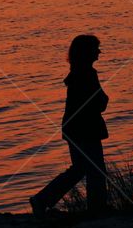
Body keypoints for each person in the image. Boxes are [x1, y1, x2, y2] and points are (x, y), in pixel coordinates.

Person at [30, 34, 109, 216]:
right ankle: (97, 209)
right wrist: (103, 100)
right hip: (85, 129)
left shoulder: (77, 73)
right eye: (95, 49)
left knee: (80, 169)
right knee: (95, 171)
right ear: (87, 52)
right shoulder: (87, 74)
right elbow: (99, 102)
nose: (99, 53)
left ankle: (42, 200)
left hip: (75, 127)